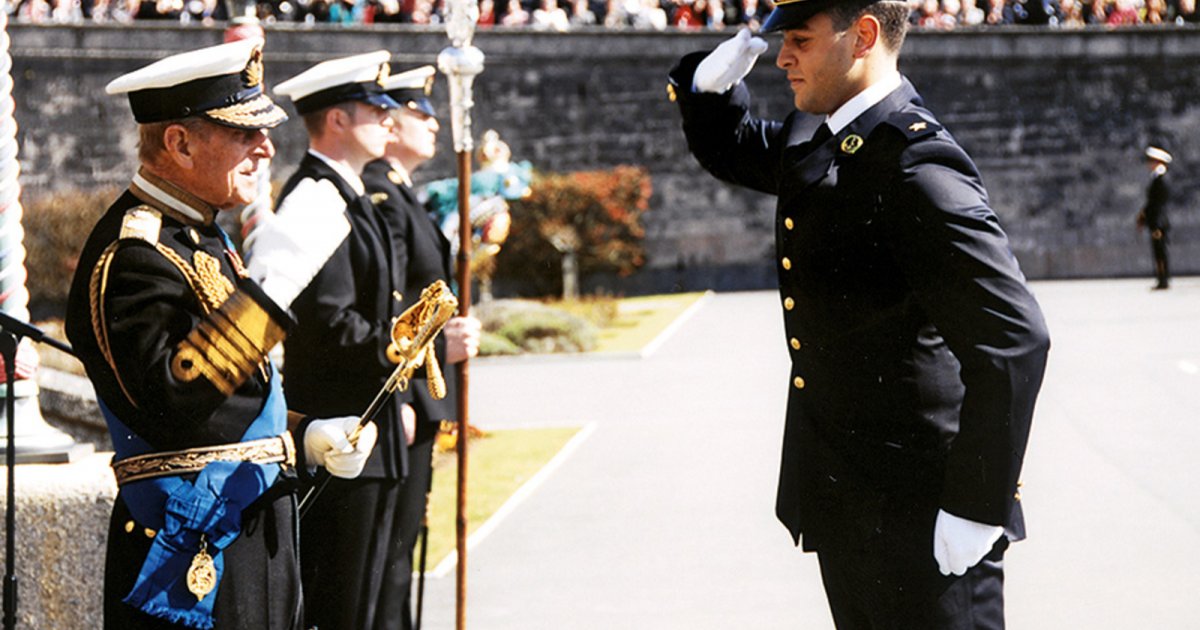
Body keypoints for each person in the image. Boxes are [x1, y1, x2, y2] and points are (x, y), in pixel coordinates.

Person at [668, 2, 1051, 627]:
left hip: (926, 522)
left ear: (864, 36)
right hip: (847, 504)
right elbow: (735, 148)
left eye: (798, 39)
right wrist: (709, 85)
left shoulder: (917, 166)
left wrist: (977, 507)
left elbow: (1014, 340)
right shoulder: (820, 137)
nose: (783, 57)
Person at [64, 38, 377, 630]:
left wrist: (303, 436)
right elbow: (169, 399)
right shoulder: (134, 253)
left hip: (247, 530)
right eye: (242, 132)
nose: (266, 147)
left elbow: (227, 408)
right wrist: (270, 293)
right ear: (179, 143)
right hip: (187, 557)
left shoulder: (202, 236)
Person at [267, 51, 415, 630]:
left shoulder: (348, 192)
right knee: (342, 603)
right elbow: (329, 321)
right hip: (338, 427)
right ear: (336, 121)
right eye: (375, 111)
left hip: (368, 425)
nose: (390, 122)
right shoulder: (317, 198)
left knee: (369, 601)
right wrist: (396, 345)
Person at [359, 64, 482, 630]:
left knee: (404, 549)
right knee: (389, 557)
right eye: (417, 114)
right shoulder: (382, 193)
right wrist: (411, 385)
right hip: (407, 392)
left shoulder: (401, 192)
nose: (432, 125)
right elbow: (393, 310)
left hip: (422, 392)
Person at [1137, 145, 1173, 290]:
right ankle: (1162, 278)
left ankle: (1163, 279)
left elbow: (1157, 204)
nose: (1149, 165)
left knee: (1160, 251)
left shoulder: (1161, 180)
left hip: (1159, 222)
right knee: (1158, 251)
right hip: (1156, 221)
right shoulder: (1157, 179)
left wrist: (1155, 223)